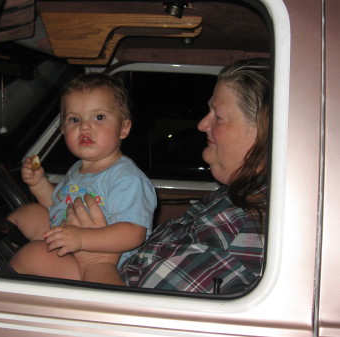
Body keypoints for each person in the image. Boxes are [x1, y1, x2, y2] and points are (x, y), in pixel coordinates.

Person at [65, 58, 271, 294]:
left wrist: (96, 262)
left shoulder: (247, 229)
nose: (202, 124)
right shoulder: (233, 195)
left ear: (263, 131)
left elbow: (137, 324)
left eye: (219, 116)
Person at [8, 72, 157, 280]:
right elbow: (58, 204)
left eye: (99, 117)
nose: (84, 126)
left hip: (99, 262)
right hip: (70, 239)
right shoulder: (78, 168)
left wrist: (81, 239)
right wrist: (39, 183)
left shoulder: (126, 178)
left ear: (123, 128)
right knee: (29, 213)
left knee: (32, 256)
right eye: (74, 119)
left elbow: (134, 232)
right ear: (63, 129)